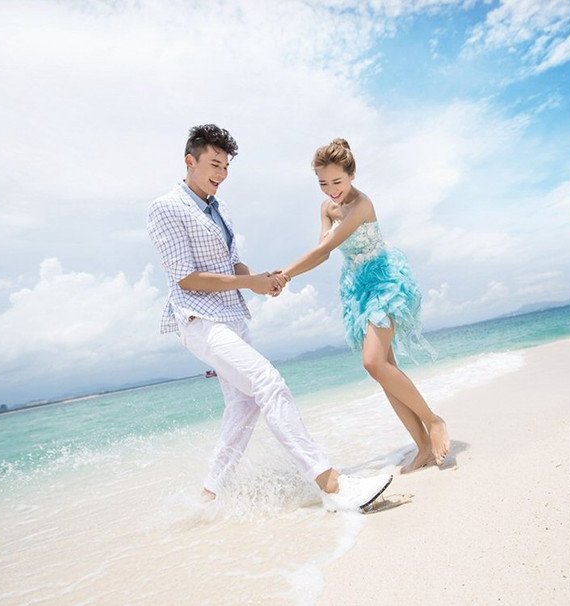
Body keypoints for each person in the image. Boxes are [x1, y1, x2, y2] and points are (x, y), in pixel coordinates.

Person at [146, 124, 392, 511]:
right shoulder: (166, 207)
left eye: (226, 166)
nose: (221, 174)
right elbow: (186, 277)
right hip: (199, 320)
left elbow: (232, 263)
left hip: (231, 317)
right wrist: (252, 282)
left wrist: (264, 280)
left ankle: (209, 497)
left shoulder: (219, 208)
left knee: (244, 406)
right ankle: (331, 485)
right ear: (190, 161)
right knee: (268, 382)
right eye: (214, 164)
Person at [281, 138, 450, 473]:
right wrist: (300, 263)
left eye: (337, 182)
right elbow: (323, 251)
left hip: (385, 281)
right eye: (323, 183)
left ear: (352, 175)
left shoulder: (362, 204)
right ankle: (423, 447)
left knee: (373, 363)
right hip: (357, 289)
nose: (332, 190)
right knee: (385, 371)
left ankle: (434, 420)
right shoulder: (327, 208)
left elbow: (323, 249)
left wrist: (285, 275)